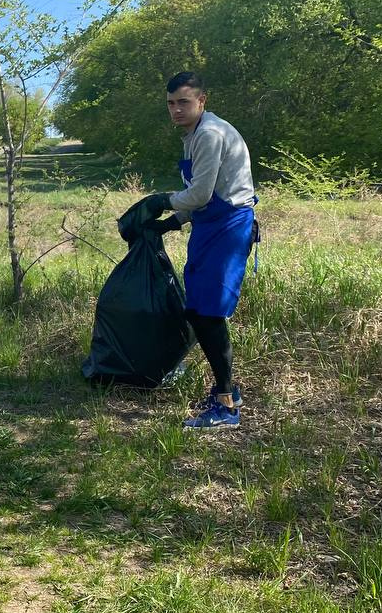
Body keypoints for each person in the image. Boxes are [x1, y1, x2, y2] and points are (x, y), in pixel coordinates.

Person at [130, 71, 257, 430]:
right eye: (170, 103)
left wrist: (161, 201)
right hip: (208, 226)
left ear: (202, 101)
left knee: (208, 313)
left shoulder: (210, 134)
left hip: (229, 226)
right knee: (198, 308)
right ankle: (226, 388)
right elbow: (203, 192)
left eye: (183, 102)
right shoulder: (194, 135)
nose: (176, 110)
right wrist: (172, 222)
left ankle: (227, 405)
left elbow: (201, 195)